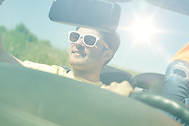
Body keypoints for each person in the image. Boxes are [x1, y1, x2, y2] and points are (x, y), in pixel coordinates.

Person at [0, 27, 133, 96]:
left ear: (106, 54)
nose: (78, 43)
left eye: (89, 40)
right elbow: (3, 57)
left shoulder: (110, 94)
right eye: (75, 37)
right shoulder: (52, 73)